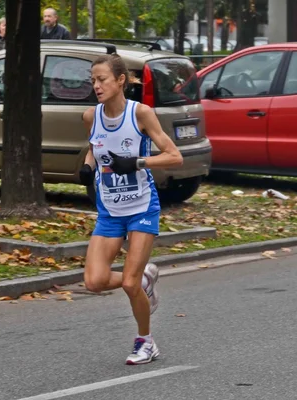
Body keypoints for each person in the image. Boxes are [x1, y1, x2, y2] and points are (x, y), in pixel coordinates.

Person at [79, 54, 183, 365]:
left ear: (121, 80)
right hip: (109, 210)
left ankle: (145, 342)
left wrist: (137, 162)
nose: (96, 86)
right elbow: (94, 147)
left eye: (102, 80)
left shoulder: (141, 114)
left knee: (127, 282)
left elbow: (174, 156)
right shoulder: (90, 116)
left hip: (141, 207)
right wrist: (88, 166)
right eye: (93, 80)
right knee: (94, 281)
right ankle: (145, 279)